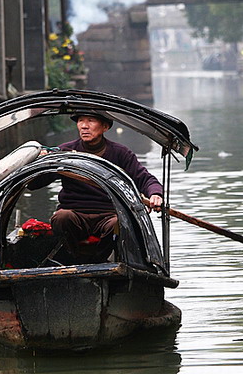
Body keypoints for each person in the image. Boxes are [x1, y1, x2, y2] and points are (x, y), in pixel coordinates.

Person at [28, 110, 163, 263]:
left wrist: (155, 194)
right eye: (80, 121)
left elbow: (145, 179)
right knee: (61, 218)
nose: (84, 126)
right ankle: (75, 257)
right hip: (75, 213)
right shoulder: (65, 152)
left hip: (108, 214)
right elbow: (34, 184)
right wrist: (41, 164)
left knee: (119, 223)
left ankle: (99, 260)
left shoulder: (120, 153)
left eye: (90, 121)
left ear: (105, 127)